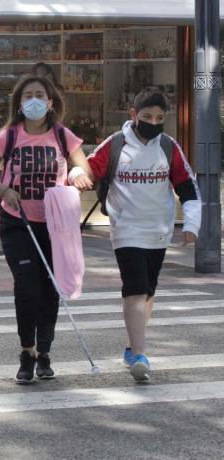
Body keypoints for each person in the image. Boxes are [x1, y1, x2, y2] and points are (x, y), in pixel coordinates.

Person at [0, 75, 93, 384]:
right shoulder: (7, 137)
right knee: (27, 286)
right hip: (17, 222)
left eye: (40, 95)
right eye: (28, 96)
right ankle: (26, 353)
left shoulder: (63, 136)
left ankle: (44, 353)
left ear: (51, 102)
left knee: (49, 289)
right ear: (19, 103)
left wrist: (79, 172)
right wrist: (4, 191)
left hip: (55, 225)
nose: (34, 100)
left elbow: (84, 168)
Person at [86, 87, 200, 382]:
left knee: (148, 291)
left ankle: (131, 346)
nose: (153, 121)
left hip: (158, 229)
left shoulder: (168, 146)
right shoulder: (116, 144)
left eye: (160, 117)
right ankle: (140, 355)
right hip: (125, 229)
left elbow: (187, 186)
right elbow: (87, 169)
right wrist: (74, 177)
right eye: (147, 116)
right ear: (133, 115)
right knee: (135, 287)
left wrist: (191, 224)